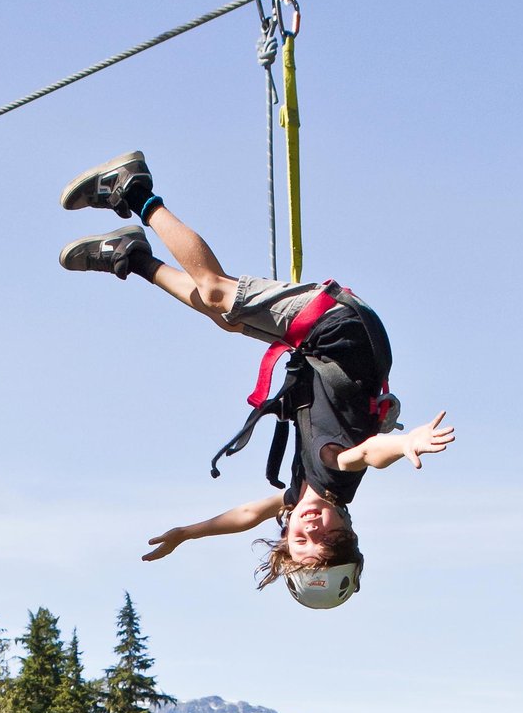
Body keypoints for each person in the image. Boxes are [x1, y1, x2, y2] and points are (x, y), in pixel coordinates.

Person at [58, 150, 454, 609]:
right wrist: (405, 446)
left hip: (326, 341)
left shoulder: (300, 496)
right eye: (326, 538)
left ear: (285, 540)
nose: (311, 530)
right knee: (215, 289)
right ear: (347, 530)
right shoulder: (335, 474)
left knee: (222, 315)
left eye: (301, 543)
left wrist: (189, 533)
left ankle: (131, 256)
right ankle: (133, 188)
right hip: (338, 328)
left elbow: (247, 514)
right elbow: (367, 453)